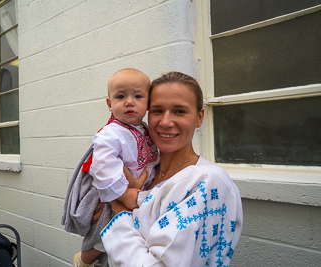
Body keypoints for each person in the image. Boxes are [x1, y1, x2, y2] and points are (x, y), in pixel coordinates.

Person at [99, 71, 243, 266]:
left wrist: (117, 210)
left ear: (199, 117)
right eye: (157, 111)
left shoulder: (207, 182)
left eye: (179, 111)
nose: (165, 122)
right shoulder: (146, 172)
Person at [62, 68, 160, 267]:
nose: (129, 102)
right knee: (104, 231)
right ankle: (83, 260)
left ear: (148, 103)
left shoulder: (144, 130)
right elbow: (103, 166)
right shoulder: (111, 133)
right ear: (109, 104)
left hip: (134, 191)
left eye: (138, 96)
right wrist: (123, 195)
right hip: (111, 192)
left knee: (122, 236)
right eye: (121, 96)